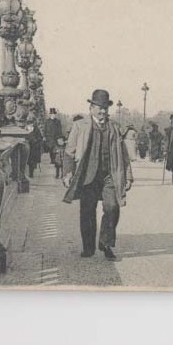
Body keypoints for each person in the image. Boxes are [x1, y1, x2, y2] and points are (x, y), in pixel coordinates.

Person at [62, 89, 134, 261]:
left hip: (110, 175)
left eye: (105, 108)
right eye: (99, 108)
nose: (103, 111)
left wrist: (128, 176)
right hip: (88, 176)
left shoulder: (114, 127)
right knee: (87, 212)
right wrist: (67, 172)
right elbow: (69, 152)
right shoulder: (80, 126)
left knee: (112, 208)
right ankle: (88, 247)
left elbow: (124, 155)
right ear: (91, 108)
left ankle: (106, 243)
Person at [44, 108, 64, 176]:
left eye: (54, 114)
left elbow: (60, 130)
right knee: (50, 149)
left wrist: (60, 137)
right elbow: (45, 129)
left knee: (55, 150)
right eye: (52, 114)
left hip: (55, 138)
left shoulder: (57, 121)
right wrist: (44, 136)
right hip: (49, 138)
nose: (53, 115)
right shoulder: (47, 121)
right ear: (50, 115)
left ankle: (54, 160)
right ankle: (52, 159)